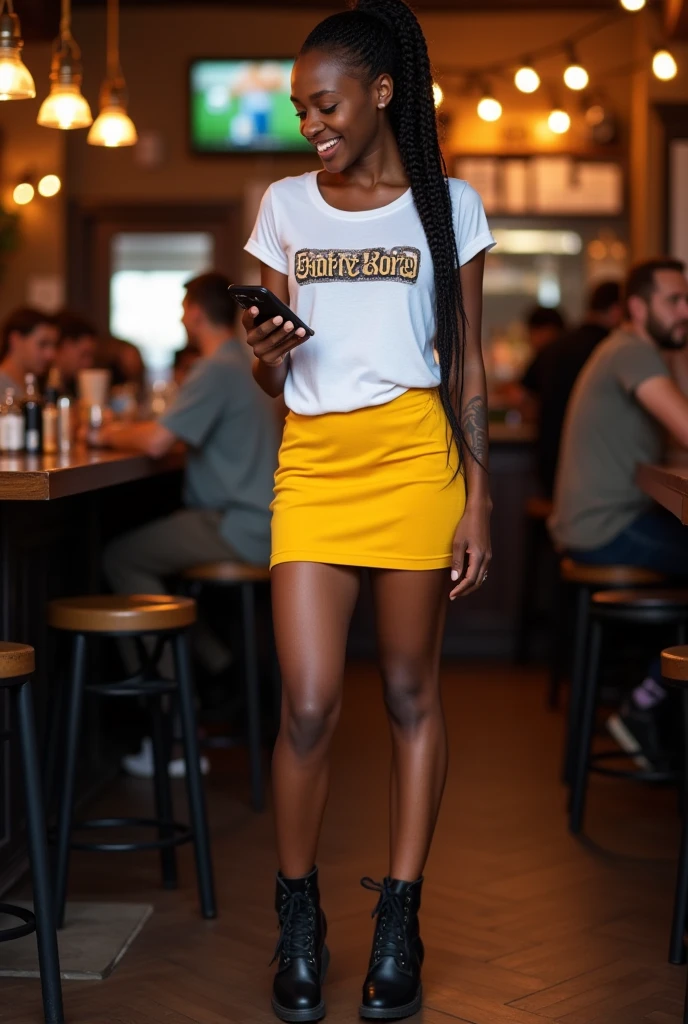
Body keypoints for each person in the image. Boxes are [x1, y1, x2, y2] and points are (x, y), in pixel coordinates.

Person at [243, 1, 494, 1019]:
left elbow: (468, 359)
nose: (312, 122)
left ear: (382, 91)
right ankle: (296, 914)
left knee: (408, 694)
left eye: (326, 101)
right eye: (301, 108)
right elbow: (272, 370)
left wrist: (475, 499)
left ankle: (400, 913)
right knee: (306, 701)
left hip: (414, 459)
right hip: (314, 464)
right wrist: (264, 361)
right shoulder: (283, 207)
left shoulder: (451, 208)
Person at [96, 271, 278, 682]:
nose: (182, 321)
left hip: (237, 523)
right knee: (155, 567)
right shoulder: (242, 364)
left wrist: (104, 432)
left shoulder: (215, 368)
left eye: (183, 312)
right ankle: (213, 663)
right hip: (259, 519)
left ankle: (170, 709)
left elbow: (159, 441)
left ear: (194, 313)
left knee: (120, 557)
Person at [549, 258, 688, 768]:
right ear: (636, 307)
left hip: (601, 523)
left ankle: (657, 703)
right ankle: (646, 705)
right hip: (605, 530)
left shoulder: (635, 352)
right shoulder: (631, 351)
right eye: (674, 301)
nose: (685, 311)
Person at [525, 281, 623, 496]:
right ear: (618, 311)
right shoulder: (614, 350)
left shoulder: (555, 347)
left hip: (549, 465)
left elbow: (524, 394)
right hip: (594, 473)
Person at [0, 307, 58, 397]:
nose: (50, 355)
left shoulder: (33, 384)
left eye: (54, 346)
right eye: (43, 344)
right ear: (15, 340)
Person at [52, 311, 98, 396]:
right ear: (65, 346)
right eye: (84, 354)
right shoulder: (42, 386)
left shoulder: (71, 386)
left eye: (91, 356)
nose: (89, 363)